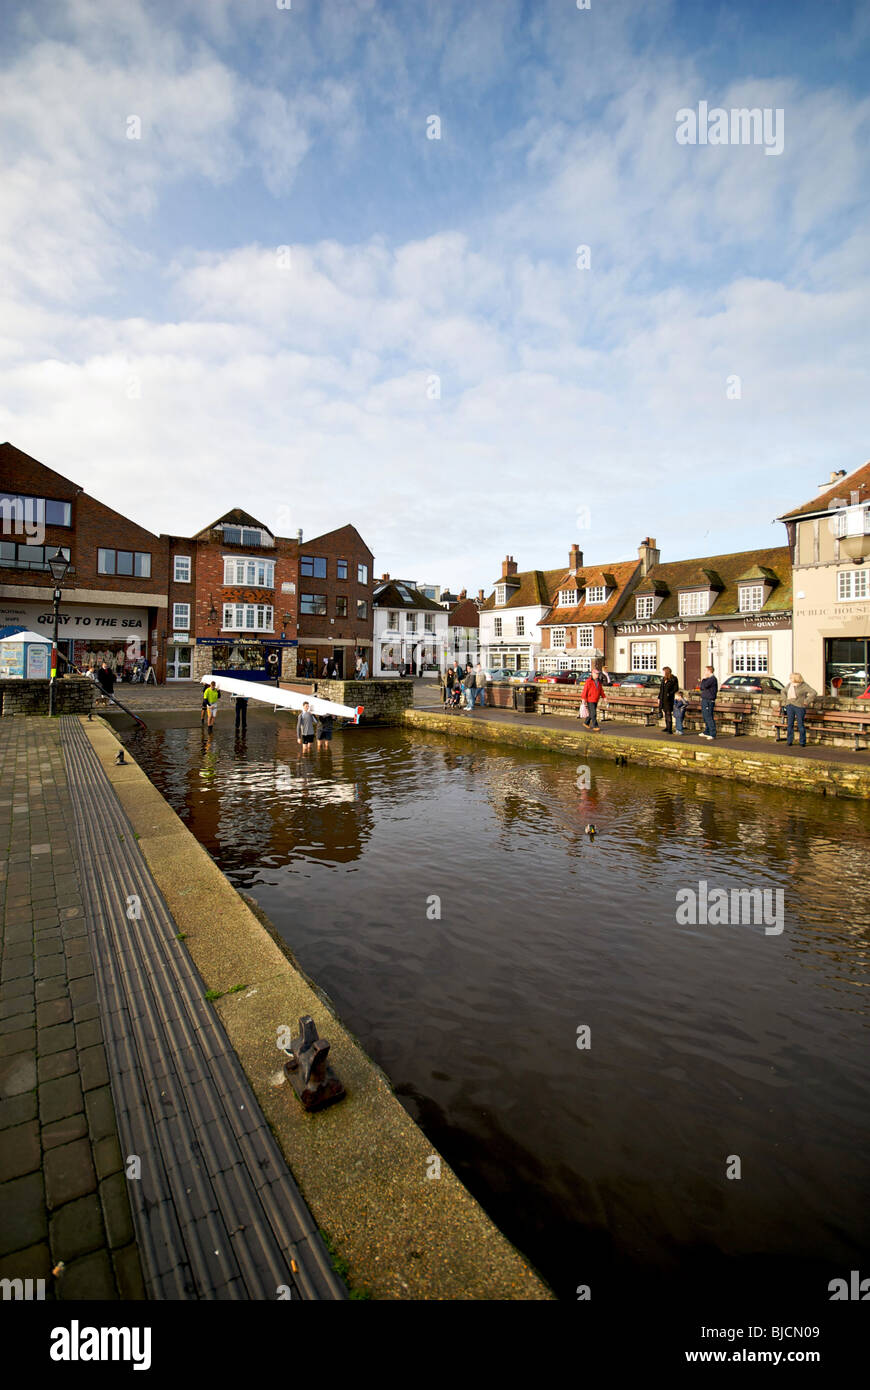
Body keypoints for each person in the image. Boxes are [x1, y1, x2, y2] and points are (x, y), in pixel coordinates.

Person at [782, 672, 817, 748]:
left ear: (796, 678)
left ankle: (802, 742)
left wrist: (806, 701)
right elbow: (783, 691)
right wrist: (785, 701)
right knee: (790, 724)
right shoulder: (789, 685)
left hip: (799, 707)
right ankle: (789, 741)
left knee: (800, 724)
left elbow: (813, 692)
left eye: (791, 678)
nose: (790, 679)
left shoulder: (803, 686)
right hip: (790, 706)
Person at [699, 666, 718, 739]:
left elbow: (704, 686)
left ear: (709, 671)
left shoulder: (712, 679)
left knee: (709, 717)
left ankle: (712, 733)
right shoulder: (708, 679)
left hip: (709, 700)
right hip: (705, 699)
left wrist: (703, 679)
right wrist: (704, 680)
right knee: (705, 716)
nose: (704, 672)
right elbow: (701, 687)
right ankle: (707, 731)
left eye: (706, 671)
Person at [658, 666, 679, 733]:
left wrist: (669, 693)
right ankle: (667, 727)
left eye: (663, 671)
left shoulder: (673, 679)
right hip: (663, 698)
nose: (662, 673)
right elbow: (661, 689)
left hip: (669, 699)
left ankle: (670, 729)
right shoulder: (663, 679)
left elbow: (676, 688)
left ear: (666, 672)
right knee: (665, 712)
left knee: (668, 712)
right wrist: (659, 698)